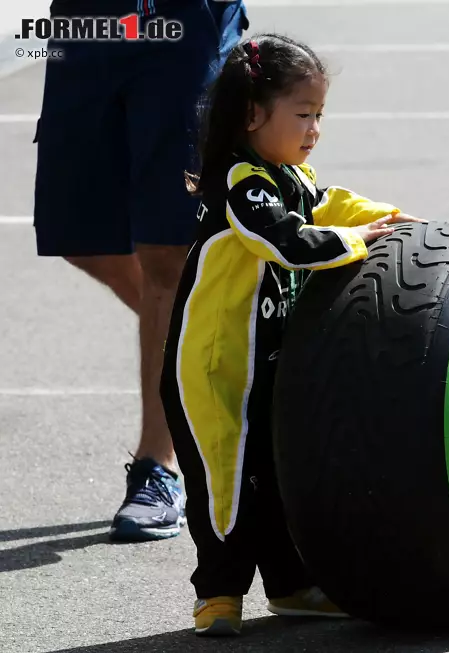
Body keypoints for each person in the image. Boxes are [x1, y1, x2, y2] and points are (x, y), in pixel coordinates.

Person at [159, 33, 423, 636]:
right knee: (224, 484)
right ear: (253, 114)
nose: (314, 130)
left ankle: (291, 584)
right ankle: (219, 594)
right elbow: (287, 239)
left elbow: (328, 201)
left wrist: (382, 217)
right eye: (303, 115)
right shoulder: (241, 181)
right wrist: (361, 242)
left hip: (268, 363)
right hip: (212, 370)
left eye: (319, 116)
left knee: (282, 471)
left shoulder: (290, 174)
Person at [32, 0, 249, 542]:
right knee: (80, 238)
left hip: (181, 25)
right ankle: (213, 342)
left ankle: (159, 466)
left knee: (166, 254)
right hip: (86, 23)